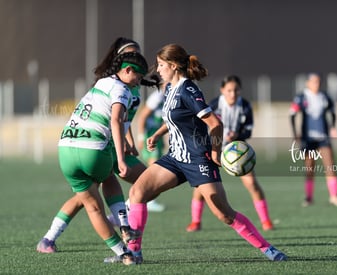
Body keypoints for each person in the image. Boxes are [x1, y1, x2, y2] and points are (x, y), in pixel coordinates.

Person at [107, 44, 287, 264]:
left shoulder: (188, 90)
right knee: (137, 192)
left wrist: (215, 152)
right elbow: (176, 117)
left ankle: (269, 249)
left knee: (224, 214)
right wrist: (158, 134)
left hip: (198, 159)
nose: (158, 69)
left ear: (173, 66)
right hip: (175, 158)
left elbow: (215, 123)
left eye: (161, 65)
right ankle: (134, 253)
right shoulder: (170, 88)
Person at [36, 38, 151, 256]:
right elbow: (116, 120)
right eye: (138, 74)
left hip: (67, 148)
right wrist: (122, 156)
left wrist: (129, 142)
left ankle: (119, 250)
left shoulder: (104, 82)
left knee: (90, 202)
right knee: (132, 181)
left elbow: (114, 118)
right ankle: (122, 222)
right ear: (124, 65)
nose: (139, 80)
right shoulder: (123, 89)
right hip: (99, 148)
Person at [186, 75, 274, 232]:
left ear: (240, 90)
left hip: (237, 151)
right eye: (229, 90)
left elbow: (248, 131)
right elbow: (203, 124)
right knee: (201, 187)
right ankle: (196, 221)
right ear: (222, 91)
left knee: (252, 184)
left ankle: (266, 220)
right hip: (214, 148)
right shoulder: (214, 104)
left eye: (236, 90)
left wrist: (237, 134)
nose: (233, 94)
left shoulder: (245, 106)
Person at [289, 73, 337, 207]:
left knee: (330, 165)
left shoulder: (324, 97)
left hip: (323, 137)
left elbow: (333, 112)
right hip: (308, 139)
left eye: (318, 81)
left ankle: (334, 195)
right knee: (309, 168)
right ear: (308, 83)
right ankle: (309, 197)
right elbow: (292, 114)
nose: (316, 84)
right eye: (313, 82)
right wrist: (295, 133)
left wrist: (333, 127)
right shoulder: (301, 98)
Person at [135, 84, 167, 212]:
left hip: (156, 134)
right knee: (154, 167)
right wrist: (141, 137)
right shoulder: (157, 97)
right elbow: (143, 116)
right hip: (150, 134)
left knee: (155, 166)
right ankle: (148, 199)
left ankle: (147, 198)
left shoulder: (168, 97)